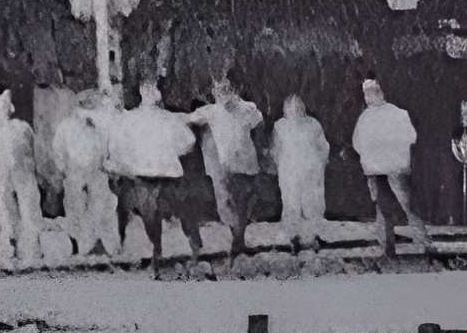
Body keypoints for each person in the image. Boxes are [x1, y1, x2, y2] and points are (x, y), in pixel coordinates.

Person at [107, 80, 204, 262]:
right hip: (153, 175)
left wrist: (166, 151)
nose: (152, 92)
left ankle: (183, 249)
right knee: (158, 215)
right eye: (149, 88)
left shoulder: (158, 118)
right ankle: (164, 250)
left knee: (169, 213)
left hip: (159, 175)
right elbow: (188, 141)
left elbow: (188, 141)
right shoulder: (135, 118)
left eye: (153, 88)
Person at [198, 75, 266, 256]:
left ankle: (238, 243)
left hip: (244, 164)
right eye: (219, 90)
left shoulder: (247, 108)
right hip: (221, 166)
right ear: (213, 93)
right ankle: (236, 237)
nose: (223, 94)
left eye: (226, 89)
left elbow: (260, 125)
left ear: (234, 91)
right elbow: (187, 120)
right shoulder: (210, 111)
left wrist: (260, 150)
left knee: (242, 203)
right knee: (225, 205)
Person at [354, 77, 420, 260]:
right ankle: (425, 243)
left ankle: (388, 248)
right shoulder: (400, 114)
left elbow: (357, 143)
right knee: (409, 206)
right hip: (398, 166)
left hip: (375, 168)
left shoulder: (365, 118)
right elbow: (411, 137)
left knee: (384, 209)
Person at [55, 93, 120, 258]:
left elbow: (105, 149)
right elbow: (58, 151)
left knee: (99, 207)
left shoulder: (97, 128)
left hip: (96, 172)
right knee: (74, 209)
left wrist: (103, 164)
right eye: (83, 108)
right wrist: (65, 170)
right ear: (76, 109)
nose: (85, 112)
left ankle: (98, 244)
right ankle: (78, 246)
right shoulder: (65, 126)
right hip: (74, 172)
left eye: (89, 108)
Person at [0, 89, 41, 266]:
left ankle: (32, 248)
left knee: (28, 207)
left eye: (7, 104)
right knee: (5, 209)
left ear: (11, 107)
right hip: (1, 173)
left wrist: (29, 168)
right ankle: (10, 245)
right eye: (1, 104)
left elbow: (31, 149)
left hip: (21, 173)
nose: (4, 107)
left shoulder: (22, 126)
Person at [272, 92, 331, 252]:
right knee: (291, 204)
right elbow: (276, 150)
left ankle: (313, 237)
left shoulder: (313, 124)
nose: (295, 110)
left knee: (313, 205)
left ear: (303, 107)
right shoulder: (280, 126)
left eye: (299, 106)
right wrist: (282, 168)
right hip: (289, 173)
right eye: (291, 107)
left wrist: (319, 165)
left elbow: (323, 147)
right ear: (285, 109)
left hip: (311, 172)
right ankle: (293, 238)